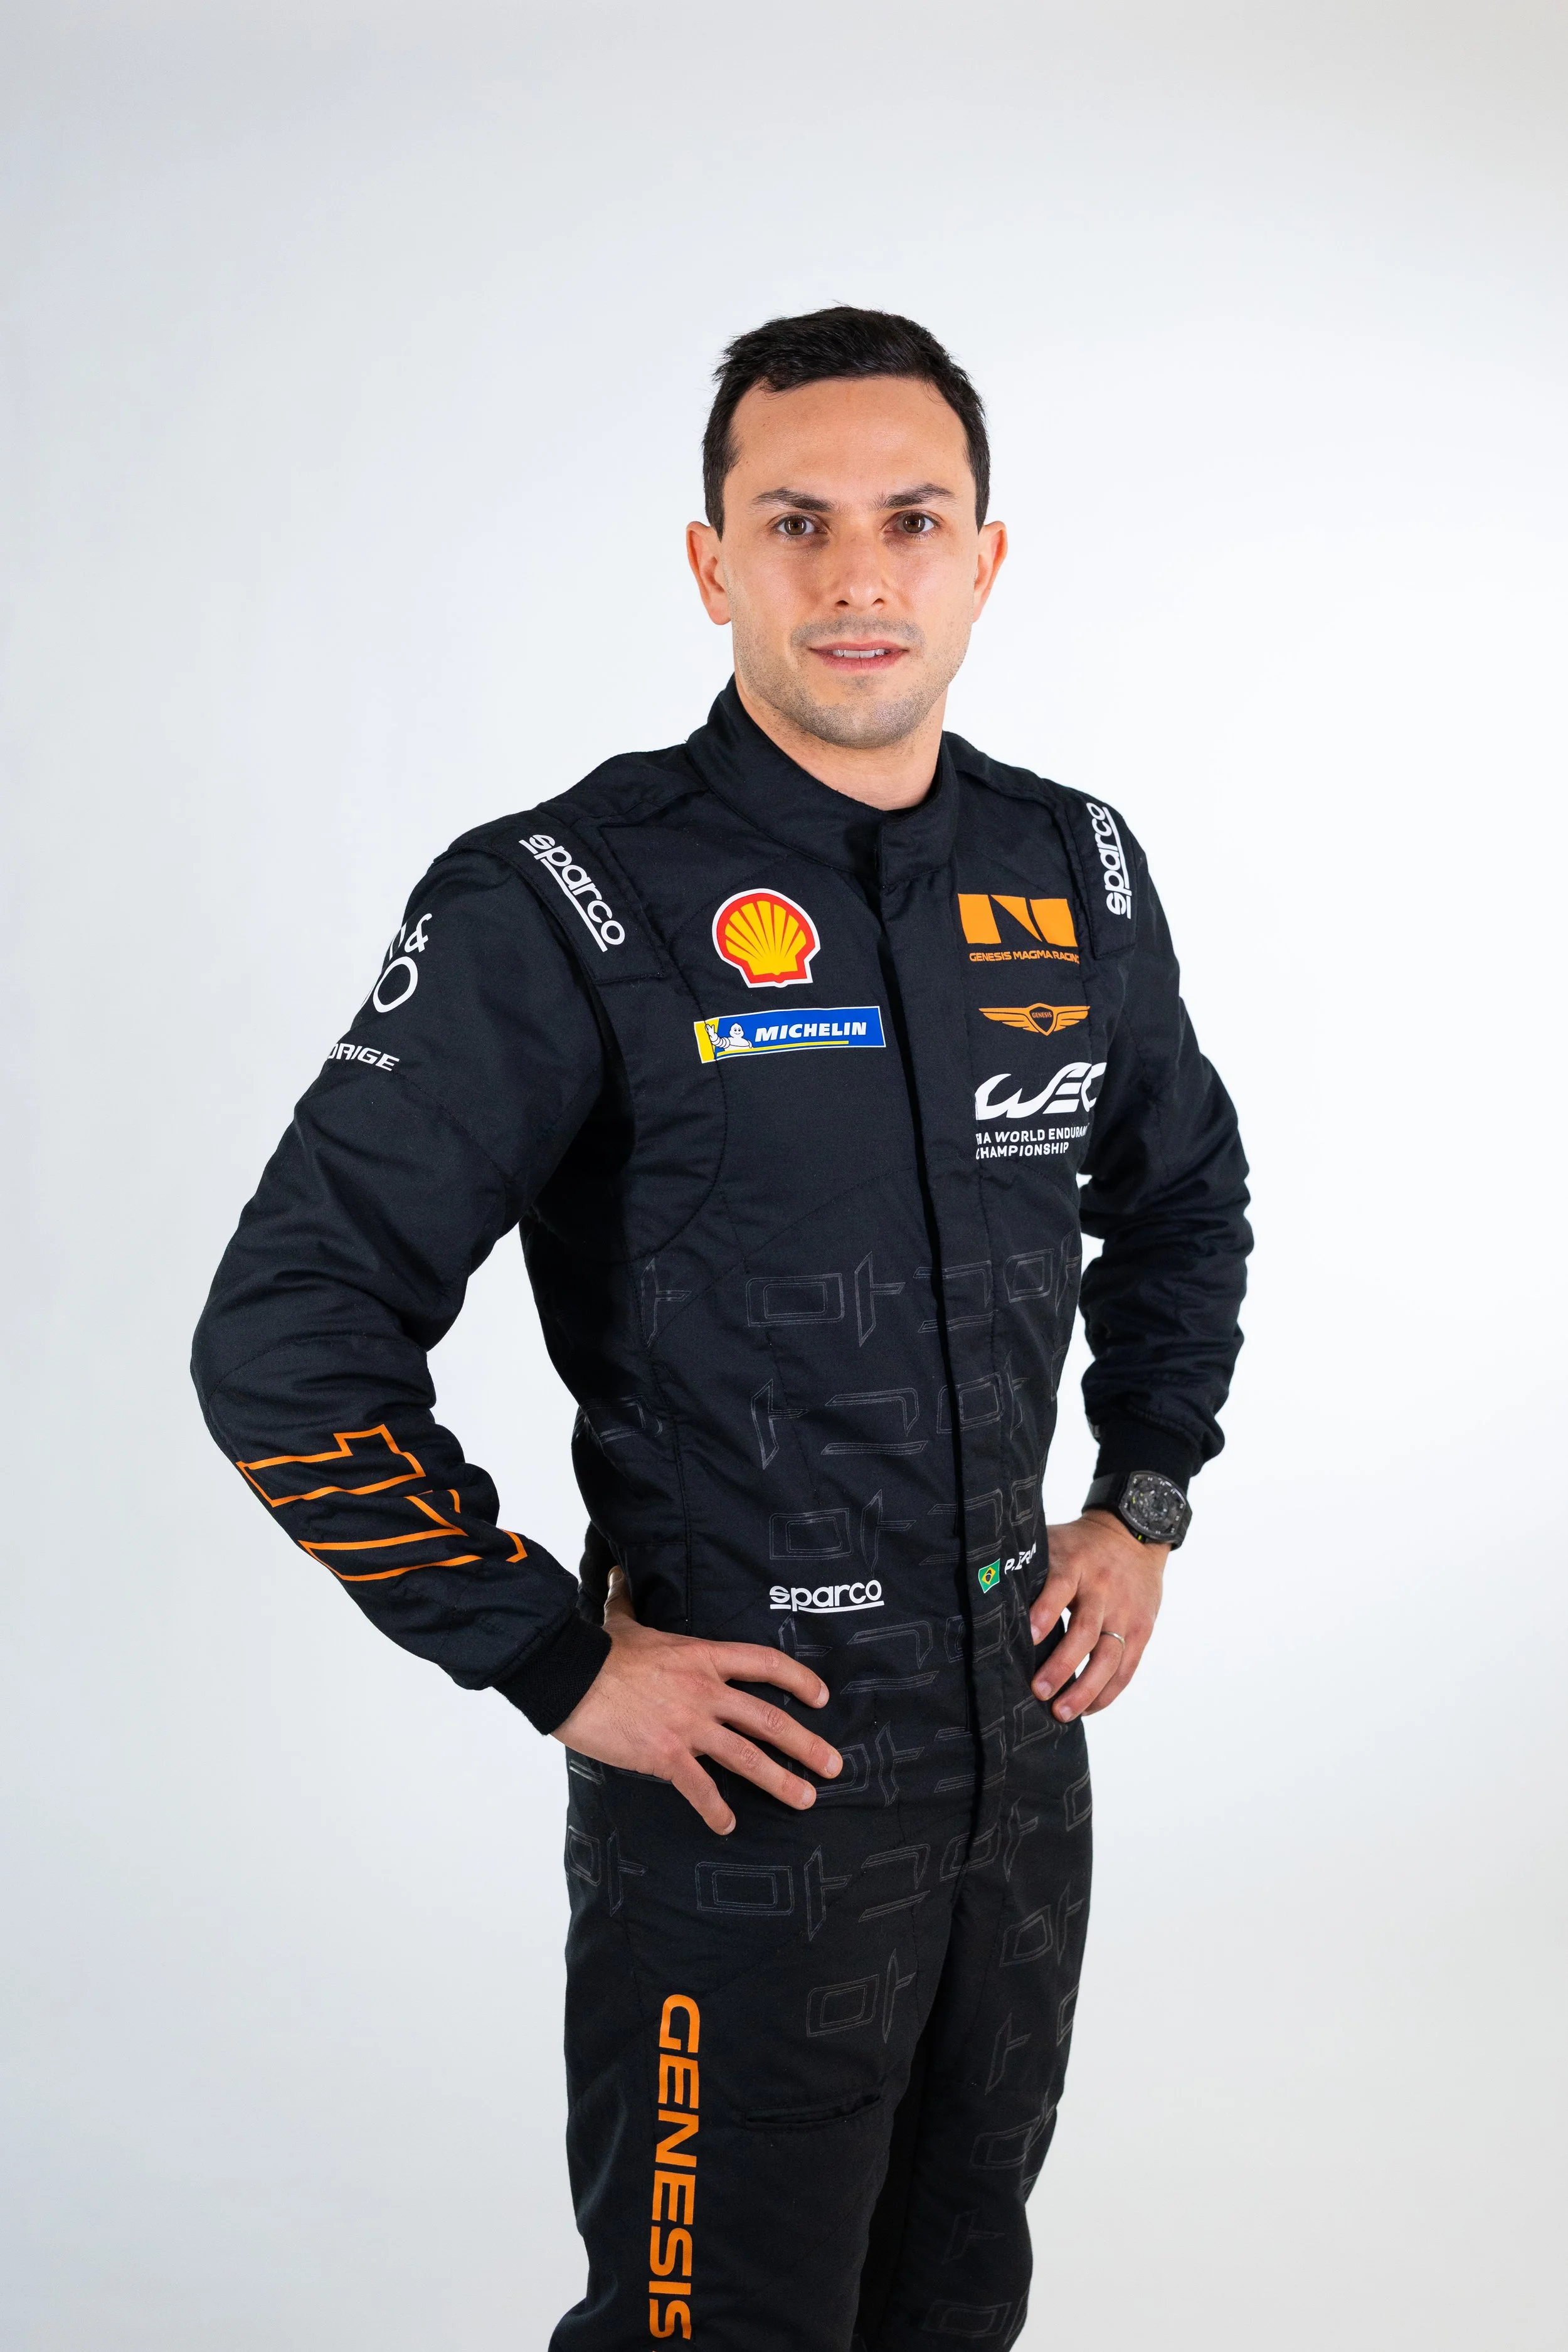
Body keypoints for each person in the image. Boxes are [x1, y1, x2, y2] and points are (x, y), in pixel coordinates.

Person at [193, 306, 1250, 2351]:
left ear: (983, 560)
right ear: (711, 564)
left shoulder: (1074, 867)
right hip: (741, 1786)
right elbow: (286, 1333)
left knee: (952, 2294)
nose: (858, 575)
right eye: (795, 522)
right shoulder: (563, 898)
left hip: (1016, 1773)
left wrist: (1140, 1498)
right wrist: (549, 1652)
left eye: (910, 520)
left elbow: (1184, 1194)